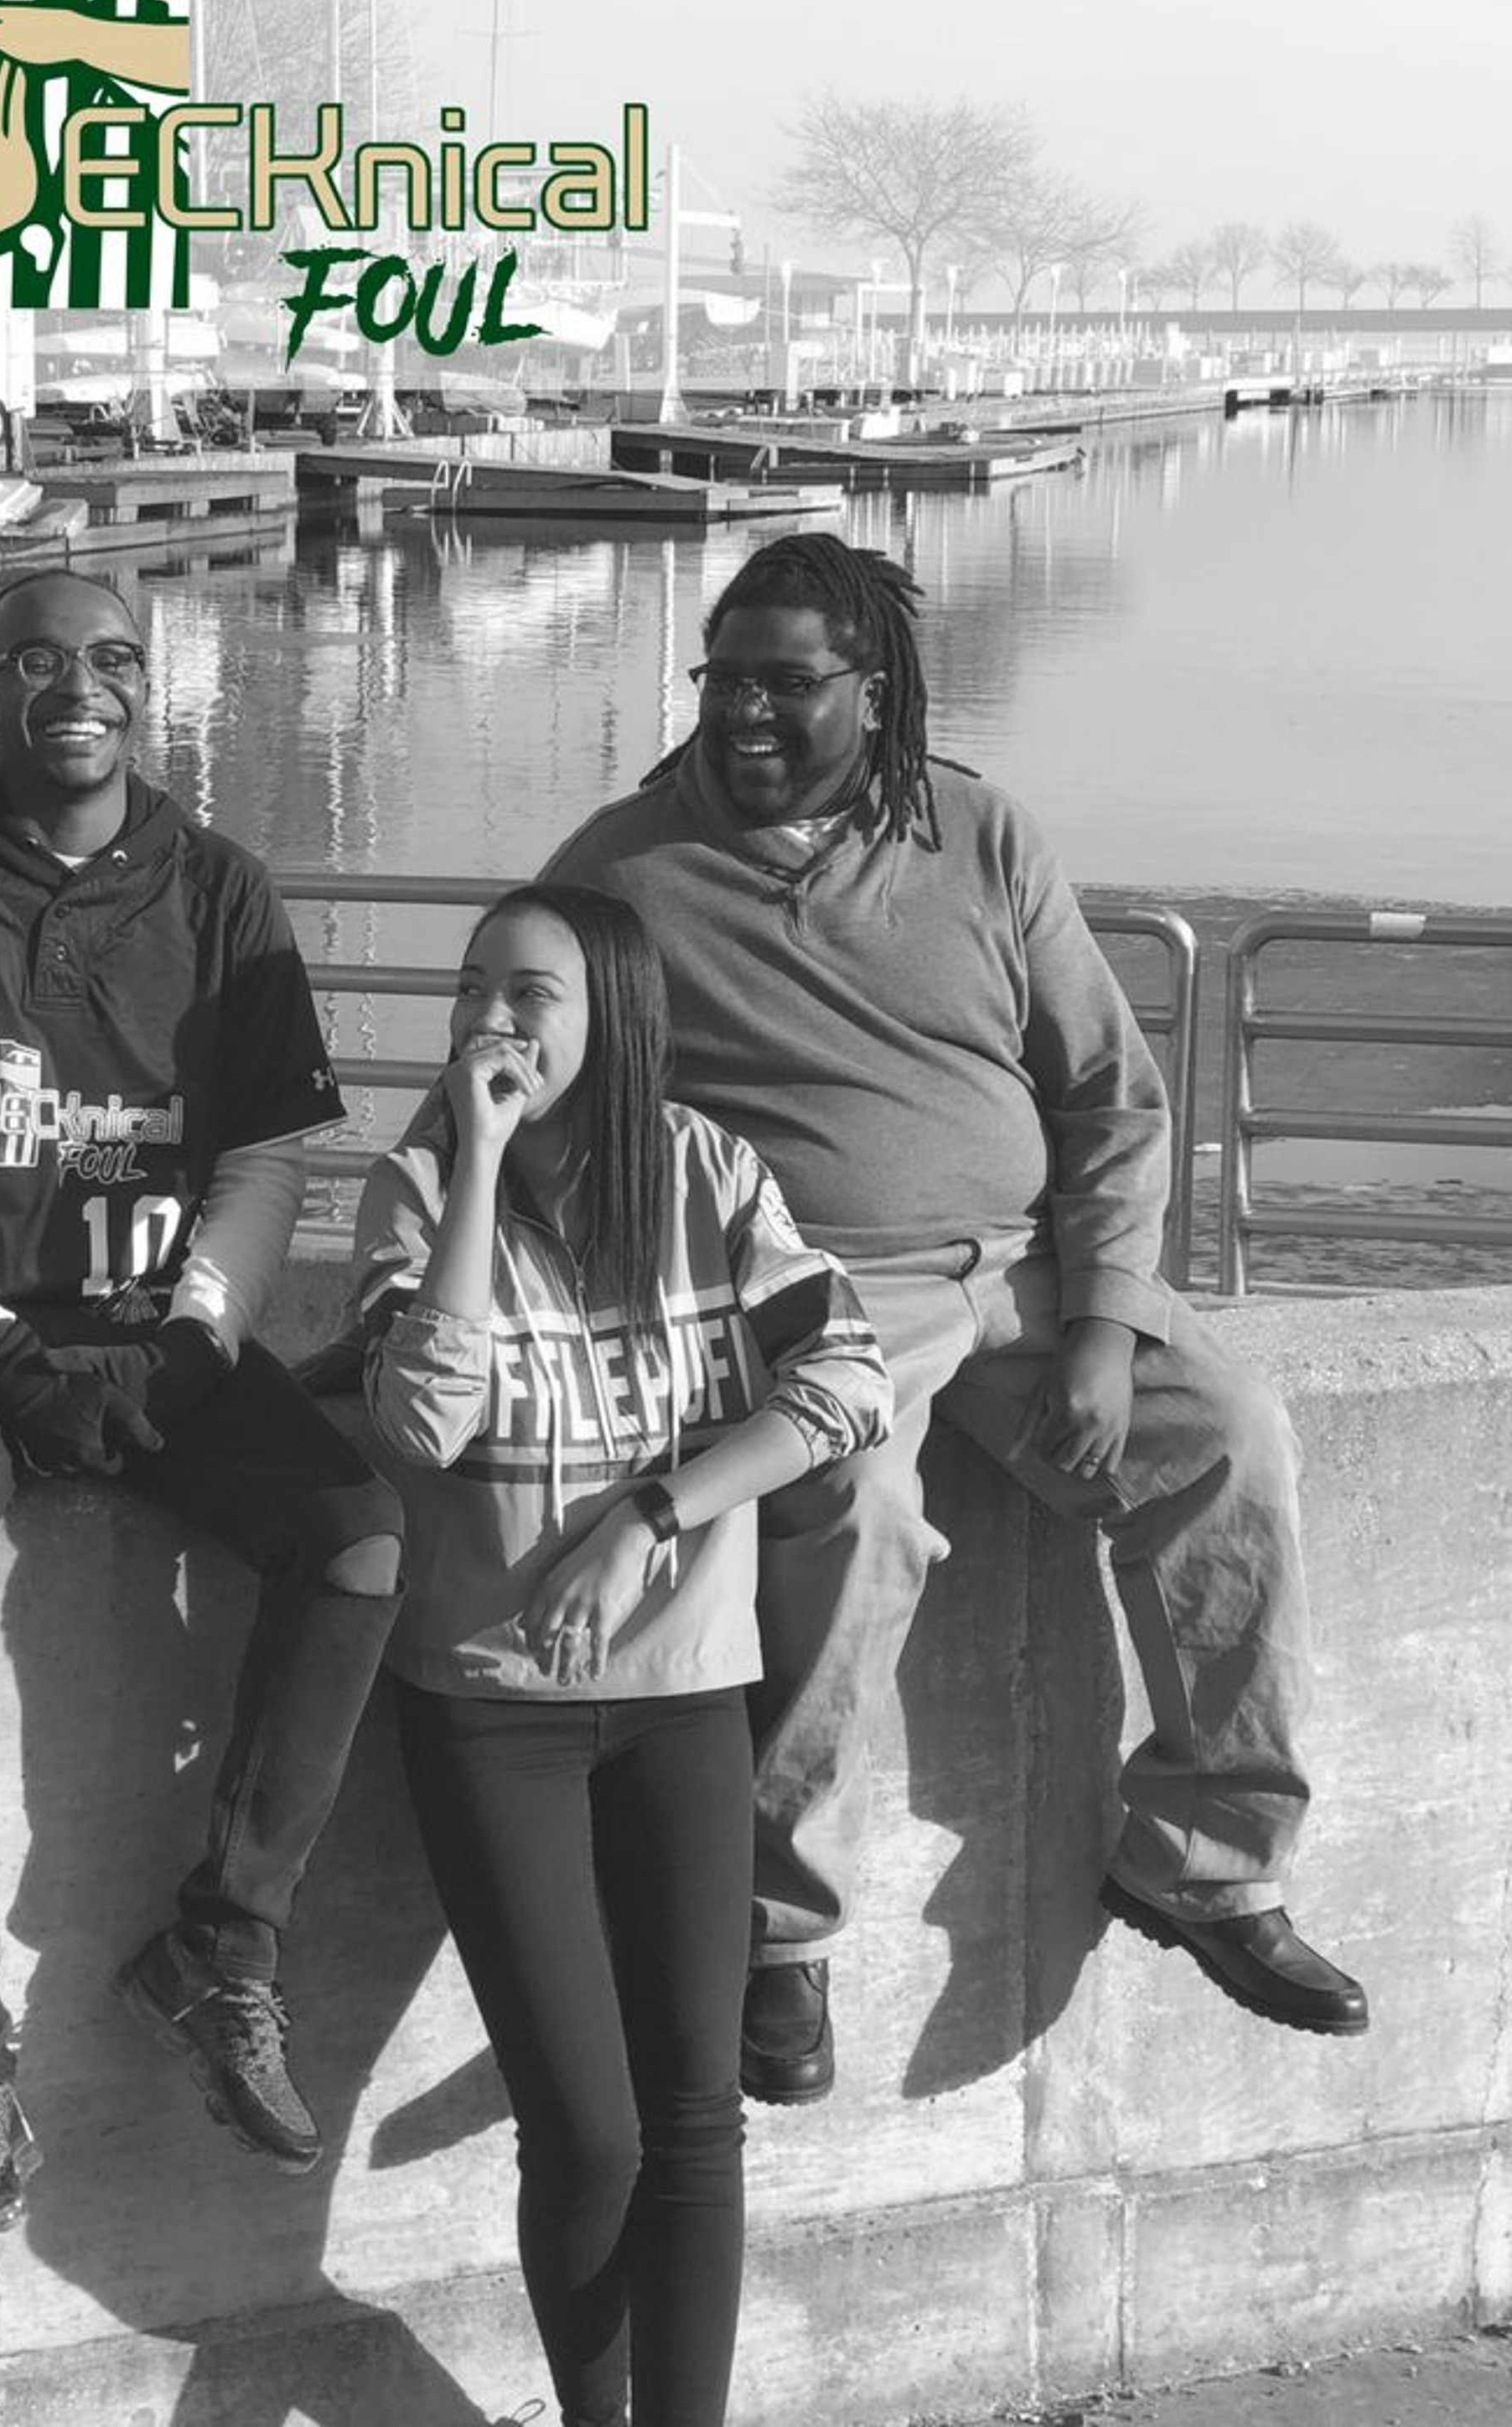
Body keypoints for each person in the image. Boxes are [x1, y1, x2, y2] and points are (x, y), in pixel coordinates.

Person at [544, 532, 1369, 2107]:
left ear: (877, 691)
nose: (745, 712)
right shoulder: (623, 867)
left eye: (787, 684)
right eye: (723, 680)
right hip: (821, 1296)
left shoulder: (980, 833)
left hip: (1029, 1271)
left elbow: (1110, 1097)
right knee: (852, 1513)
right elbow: (531, 1080)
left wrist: (1108, 1325)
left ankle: (1208, 1864)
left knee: (1235, 1440)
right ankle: (778, 1935)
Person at [0, 568, 403, 2255]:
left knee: (355, 1539)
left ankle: (223, 1945)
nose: (81, 688)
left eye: (116, 659)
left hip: (148, 1327)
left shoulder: (219, 885)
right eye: (39, 661)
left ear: (152, 687)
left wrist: (198, 1341)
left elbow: (263, 1153)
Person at [356, 883, 889, 2427]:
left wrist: (659, 1512)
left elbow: (851, 1374)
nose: (491, 1021)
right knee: (588, 2135)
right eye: (472, 989)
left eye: (531, 995)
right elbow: (420, 1424)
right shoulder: (417, 1186)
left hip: (683, 1700)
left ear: (615, 1018)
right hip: (489, 1708)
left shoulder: (710, 1174)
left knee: (695, 2118)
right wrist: (478, 1167)